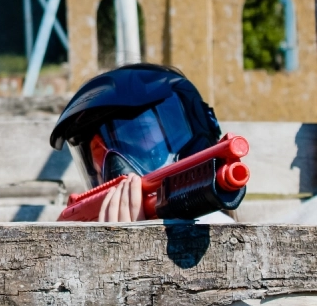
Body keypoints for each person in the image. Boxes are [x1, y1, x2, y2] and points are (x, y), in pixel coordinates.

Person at [50, 63, 237, 223]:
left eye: (138, 134)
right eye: (98, 152)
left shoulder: (218, 232)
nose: (119, 171)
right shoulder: (83, 244)